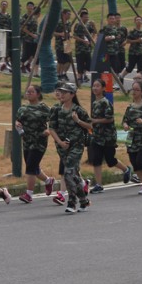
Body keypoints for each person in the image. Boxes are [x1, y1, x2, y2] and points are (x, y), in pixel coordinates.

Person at [48, 82, 92, 213]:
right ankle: (84, 201)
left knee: (68, 173)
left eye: (65, 92)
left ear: (72, 95)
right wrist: (60, 142)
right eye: (60, 91)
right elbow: (51, 128)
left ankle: (72, 202)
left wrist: (77, 120)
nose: (61, 94)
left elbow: (90, 126)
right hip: (62, 146)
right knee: (74, 175)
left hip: (76, 145)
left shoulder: (78, 110)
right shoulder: (56, 109)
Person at [14, 85, 62, 205]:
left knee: (30, 167)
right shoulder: (22, 109)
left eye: (31, 91)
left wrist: (48, 131)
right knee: (33, 167)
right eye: (27, 92)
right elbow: (18, 120)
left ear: (38, 94)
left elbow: (53, 121)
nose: (29, 93)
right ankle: (48, 181)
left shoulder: (44, 108)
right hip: (27, 141)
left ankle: (29, 194)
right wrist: (18, 125)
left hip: (39, 142)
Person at [88, 78, 132, 192]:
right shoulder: (94, 103)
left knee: (110, 160)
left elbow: (110, 119)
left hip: (108, 136)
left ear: (103, 89)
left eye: (98, 86)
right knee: (96, 160)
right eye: (94, 86)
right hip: (97, 136)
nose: (95, 88)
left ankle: (126, 170)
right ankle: (98, 184)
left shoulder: (105, 102)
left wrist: (95, 121)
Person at [120, 15, 142, 81]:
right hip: (133, 52)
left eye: (140, 20)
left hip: (140, 53)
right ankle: (121, 77)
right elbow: (128, 41)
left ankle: (139, 83)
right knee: (130, 68)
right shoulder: (132, 31)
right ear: (135, 21)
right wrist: (137, 40)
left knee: (141, 69)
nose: (139, 21)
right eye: (137, 20)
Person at [73, 9, 96, 83]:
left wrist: (91, 38)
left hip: (88, 48)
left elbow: (94, 32)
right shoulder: (78, 25)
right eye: (85, 17)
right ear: (81, 17)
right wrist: (83, 41)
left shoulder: (89, 24)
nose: (87, 18)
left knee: (88, 63)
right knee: (80, 62)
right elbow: (74, 36)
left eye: (87, 17)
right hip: (80, 48)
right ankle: (79, 77)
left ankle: (84, 74)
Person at [0, 0, 12, 71]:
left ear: (7, 6)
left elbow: (10, 25)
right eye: (3, 4)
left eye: (5, 4)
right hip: (0, 34)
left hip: (7, 34)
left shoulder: (8, 15)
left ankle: (6, 64)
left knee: (6, 50)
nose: (4, 5)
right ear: (0, 6)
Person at [54, 9, 73, 81]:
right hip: (60, 44)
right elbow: (53, 32)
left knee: (68, 60)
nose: (69, 15)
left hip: (67, 43)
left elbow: (70, 31)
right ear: (64, 14)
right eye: (68, 14)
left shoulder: (69, 23)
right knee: (61, 61)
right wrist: (60, 34)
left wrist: (70, 35)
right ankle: (58, 74)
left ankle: (64, 73)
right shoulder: (58, 23)